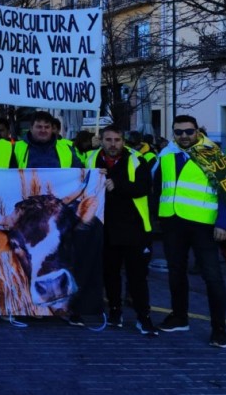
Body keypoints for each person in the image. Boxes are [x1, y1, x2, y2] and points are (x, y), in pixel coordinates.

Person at [154, 115, 226, 347]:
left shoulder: (213, 153)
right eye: (179, 132)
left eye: (189, 131)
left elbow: (225, 191)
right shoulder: (166, 153)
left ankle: (220, 328)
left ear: (198, 130)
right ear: (173, 133)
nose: (184, 136)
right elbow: (156, 184)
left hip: (203, 223)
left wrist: (222, 223)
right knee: (175, 271)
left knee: (212, 277)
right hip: (172, 221)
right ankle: (179, 317)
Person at [86, 126, 157, 335]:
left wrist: (117, 184)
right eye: (108, 139)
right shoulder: (90, 159)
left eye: (117, 140)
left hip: (134, 227)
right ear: (101, 140)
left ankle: (143, 317)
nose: (113, 144)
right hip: (104, 226)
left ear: (123, 141)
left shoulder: (137, 160)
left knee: (137, 276)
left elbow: (144, 187)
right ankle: (115, 311)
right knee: (110, 273)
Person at [13, 111, 82, 168]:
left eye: (47, 127)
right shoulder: (16, 148)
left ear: (52, 129)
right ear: (31, 128)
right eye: (39, 127)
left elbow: (80, 173)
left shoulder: (67, 149)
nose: (43, 130)